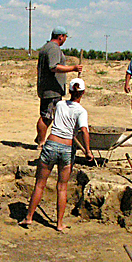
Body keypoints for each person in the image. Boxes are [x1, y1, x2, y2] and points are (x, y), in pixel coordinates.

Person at [20, 78, 93, 232]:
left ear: (70, 91)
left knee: (40, 184)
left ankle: (29, 217)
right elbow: (84, 131)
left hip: (51, 144)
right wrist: (88, 151)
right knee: (62, 187)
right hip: (66, 149)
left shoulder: (60, 104)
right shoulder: (81, 111)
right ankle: (59, 224)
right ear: (83, 93)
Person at [36, 26, 82, 147]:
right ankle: (41, 142)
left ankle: (40, 138)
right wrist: (73, 68)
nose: (65, 39)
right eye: (65, 37)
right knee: (46, 116)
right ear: (60, 36)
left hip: (50, 88)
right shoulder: (53, 49)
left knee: (48, 115)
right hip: (51, 89)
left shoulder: (47, 47)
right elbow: (54, 67)